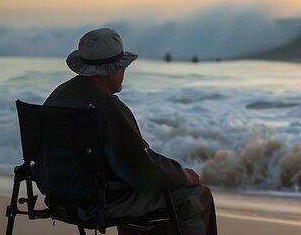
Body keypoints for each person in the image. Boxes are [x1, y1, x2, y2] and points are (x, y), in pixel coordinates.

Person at [44, 28, 217, 235]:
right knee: (195, 194)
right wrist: (181, 175)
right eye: (122, 67)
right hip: (96, 203)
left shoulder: (57, 97)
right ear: (113, 70)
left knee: (126, 184)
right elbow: (141, 172)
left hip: (58, 197)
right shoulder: (106, 107)